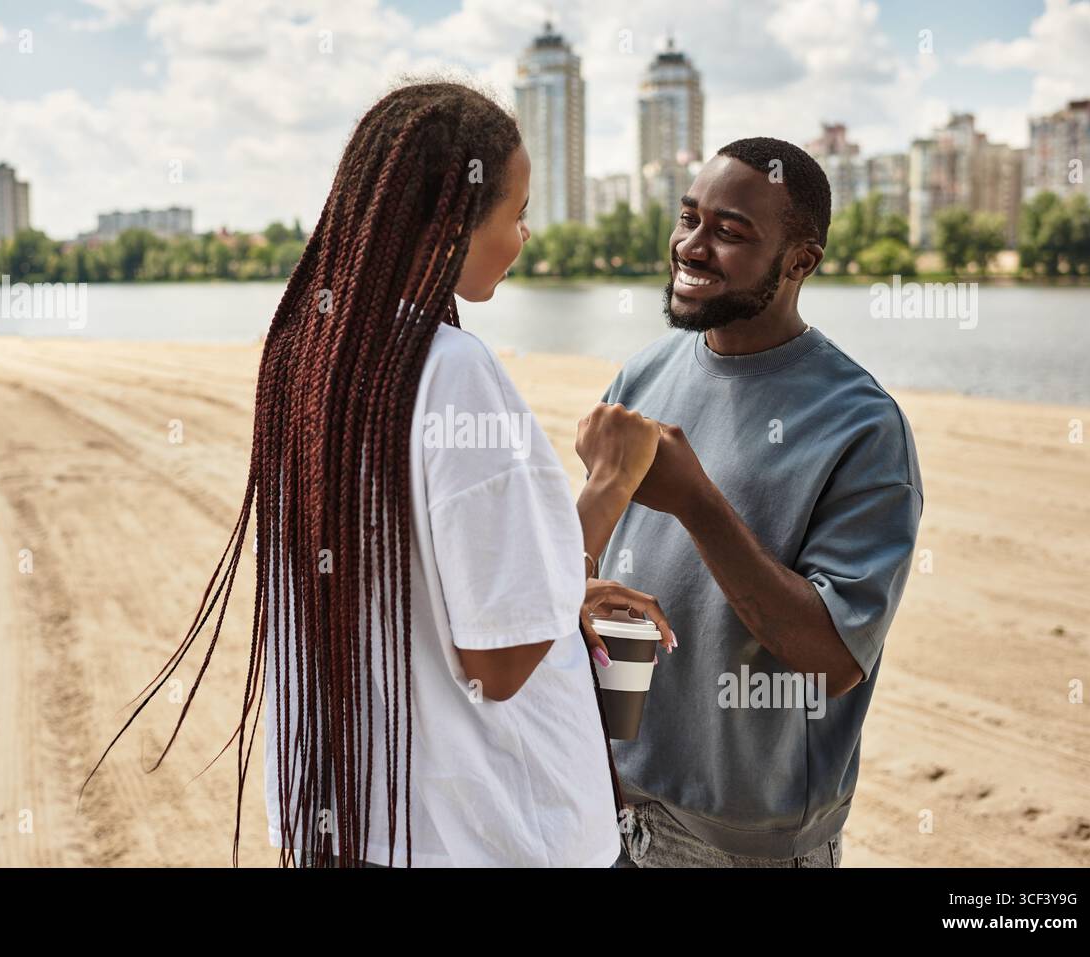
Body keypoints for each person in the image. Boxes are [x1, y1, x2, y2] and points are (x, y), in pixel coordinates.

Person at [81, 80, 674, 867]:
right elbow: (500, 663)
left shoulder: (306, 359)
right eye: (517, 213)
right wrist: (611, 483)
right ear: (452, 225)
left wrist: (555, 585)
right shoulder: (452, 369)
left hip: (364, 819)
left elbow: (412, 583)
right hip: (488, 837)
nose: (526, 235)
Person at [576, 137, 923, 868]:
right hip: (607, 808)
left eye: (730, 232)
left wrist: (697, 502)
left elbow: (832, 656)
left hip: (741, 848)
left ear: (802, 260)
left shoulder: (862, 424)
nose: (692, 247)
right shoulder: (643, 373)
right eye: (689, 219)